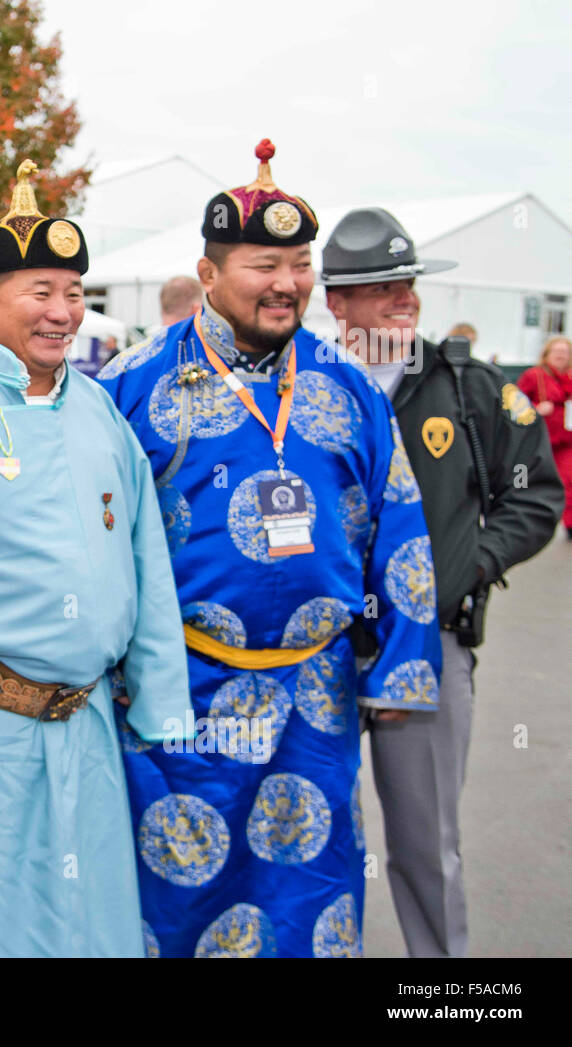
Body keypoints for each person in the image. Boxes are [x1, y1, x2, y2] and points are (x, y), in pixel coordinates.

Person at [97, 142, 442, 957]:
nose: (287, 283)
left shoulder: (348, 383)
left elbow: (401, 525)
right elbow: (91, 535)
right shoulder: (133, 384)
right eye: (264, 264)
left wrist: (400, 664)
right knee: (174, 903)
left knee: (311, 901)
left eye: (300, 265)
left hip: (314, 699)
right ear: (209, 274)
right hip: (177, 693)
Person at [0, 159, 192, 957]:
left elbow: (145, 561)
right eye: (39, 292)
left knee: (89, 927)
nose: (63, 313)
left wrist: (161, 700)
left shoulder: (100, 412)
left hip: (85, 728)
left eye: (73, 292)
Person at [324, 209, 562, 957]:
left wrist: (467, 566)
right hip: (314, 655)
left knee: (428, 847)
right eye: (382, 286)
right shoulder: (303, 385)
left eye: (408, 283)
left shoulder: (470, 388)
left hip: (429, 651)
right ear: (337, 302)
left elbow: (535, 495)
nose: (404, 298)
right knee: (313, 839)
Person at [518, 336, 572, 538]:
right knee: (534, 481)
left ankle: (570, 523)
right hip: (541, 439)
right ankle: (532, 521)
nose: (561, 355)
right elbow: (515, 405)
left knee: (569, 480)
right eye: (557, 351)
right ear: (547, 353)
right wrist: (536, 408)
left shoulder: (570, 376)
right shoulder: (534, 375)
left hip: (567, 441)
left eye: (565, 352)